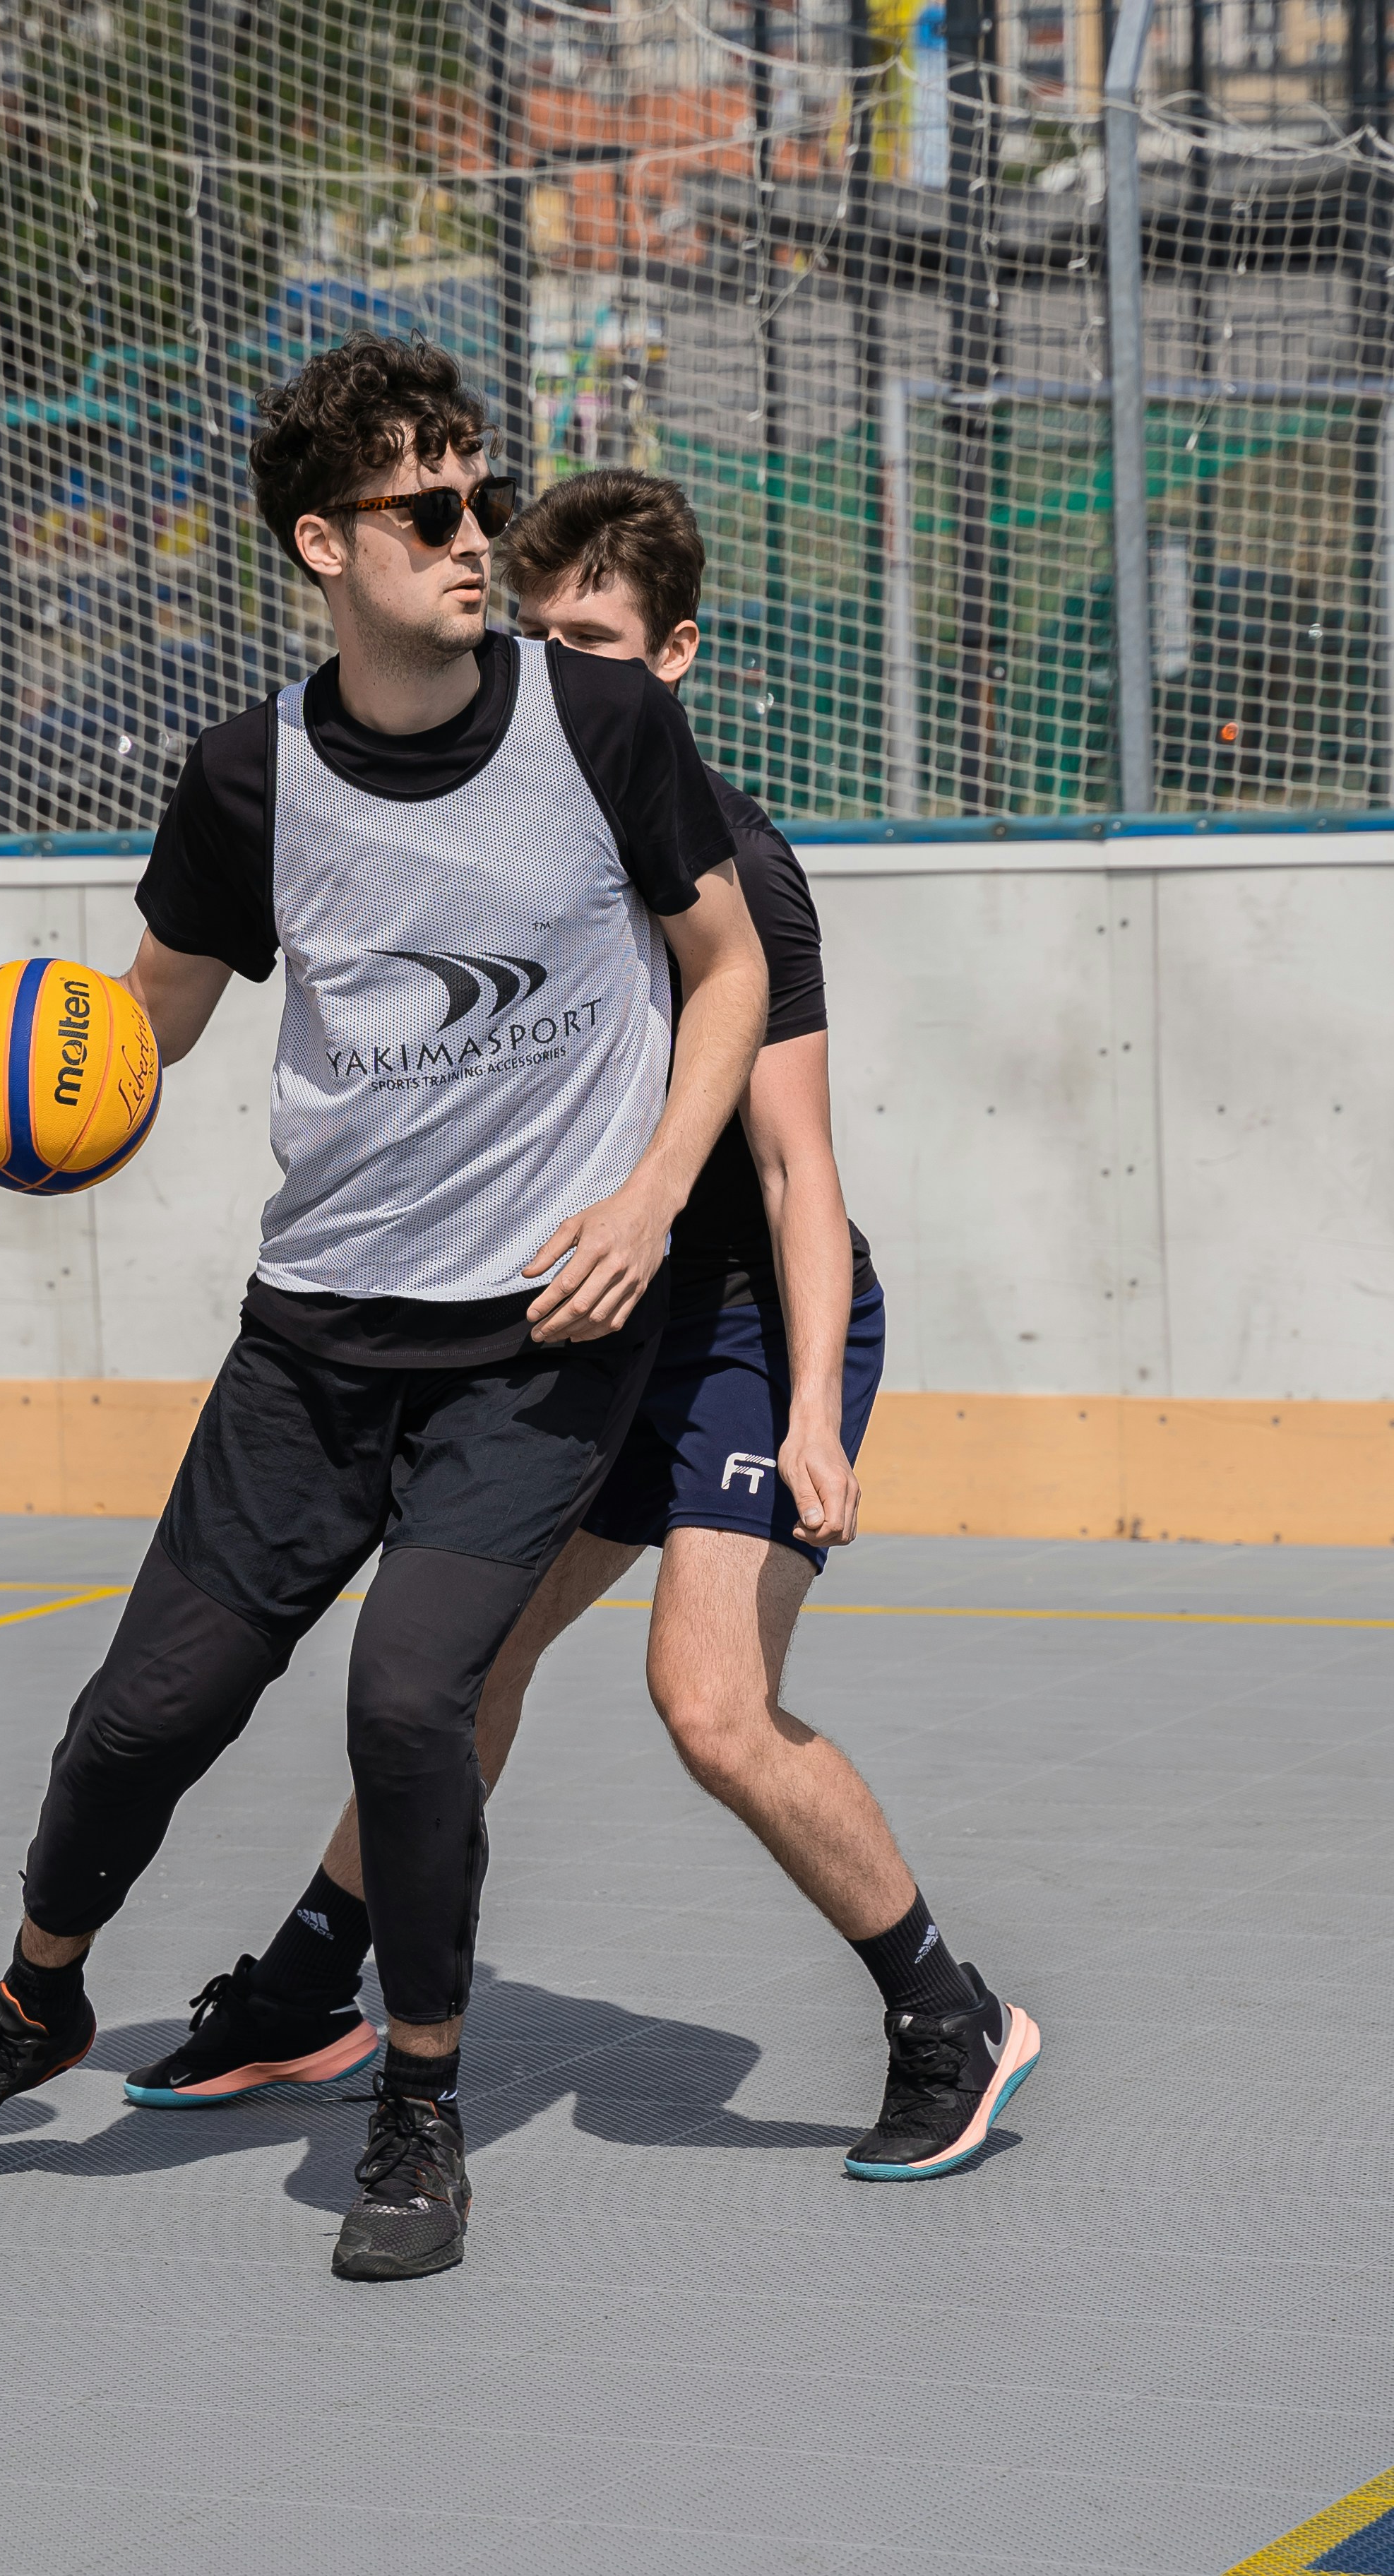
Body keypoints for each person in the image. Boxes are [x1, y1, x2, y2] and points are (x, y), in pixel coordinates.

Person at [0, 345, 769, 2281]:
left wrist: (654, 1190)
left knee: (410, 1703)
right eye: (430, 512)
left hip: (533, 1345)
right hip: (315, 1345)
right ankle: (35, 2006)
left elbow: (730, 963)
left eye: (481, 501)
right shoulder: (248, 774)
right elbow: (157, 1017)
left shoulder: (600, 723)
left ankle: (417, 2104)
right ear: (323, 546)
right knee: (136, 1726)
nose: (475, 538)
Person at [124, 469, 1041, 2182]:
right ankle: (322, 1978)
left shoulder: (736, 872)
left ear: (671, 658)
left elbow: (795, 1171)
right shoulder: (499, 821)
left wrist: (821, 1424)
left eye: (591, 638)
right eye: (532, 630)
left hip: (743, 1327)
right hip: (569, 1327)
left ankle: (948, 2012)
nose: (549, 660)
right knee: (454, 1662)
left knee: (704, 1700)